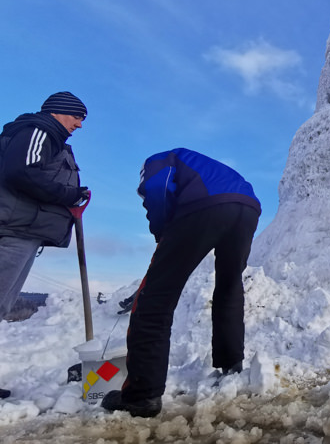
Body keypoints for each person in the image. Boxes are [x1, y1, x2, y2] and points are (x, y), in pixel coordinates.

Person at [102, 148, 261, 418]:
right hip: (248, 206)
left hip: (208, 205)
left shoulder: (157, 160)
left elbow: (157, 187)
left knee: (154, 300)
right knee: (229, 287)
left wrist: (161, 231)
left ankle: (142, 396)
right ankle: (231, 364)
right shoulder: (200, 164)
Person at [0, 92, 89, 400]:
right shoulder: (39, 130)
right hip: (13, 229)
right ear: (60, 112)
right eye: (78, 116)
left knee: (3, 304)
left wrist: (74, 193)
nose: (79, 124)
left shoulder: (50, 139)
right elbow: (21, 172)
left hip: (23, 231)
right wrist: (68, 196)